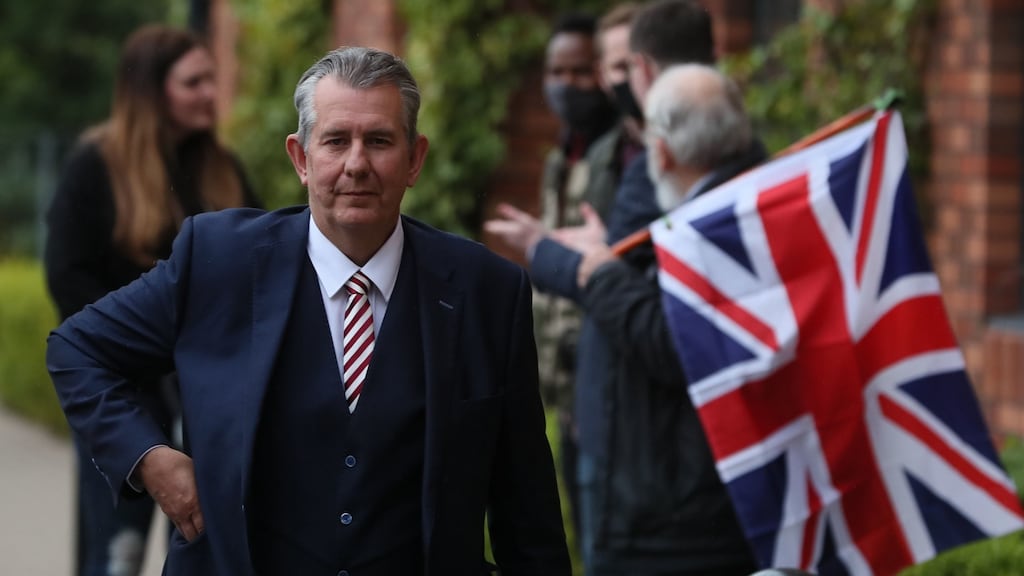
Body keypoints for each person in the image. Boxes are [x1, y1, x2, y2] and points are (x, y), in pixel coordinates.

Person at [47, 46, 571, 575]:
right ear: (301, 158)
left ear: (415, 159)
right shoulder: (218, 261)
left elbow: (527, 510)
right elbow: (77, 349)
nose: (356, 164)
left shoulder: (486, 291)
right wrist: (150, 458)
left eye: (380, 141)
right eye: (336, 140)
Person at [44, 24, 260, 576]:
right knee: (118, 554)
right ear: (151, 91)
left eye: (211, 79)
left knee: (208, 547)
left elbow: (262, 271)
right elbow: (67, 277)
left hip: (207, 395)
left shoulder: (222, 170)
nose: (211, 93)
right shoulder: (96, 166)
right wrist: (148, 346)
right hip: (125, 393)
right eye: (194, 82)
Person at [556, 63, 766, 575]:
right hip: (707, 505)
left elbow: (674, 343)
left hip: (682, 520)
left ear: (663, 153)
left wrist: (600, 273)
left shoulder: (717, 225)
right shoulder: (755, 203)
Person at [533, 13, 618, 543]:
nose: (566, 85)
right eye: (556, 72)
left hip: (604, 382)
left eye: (580, 72)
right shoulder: (559, 158)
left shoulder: (618, 162)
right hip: (563, 385)